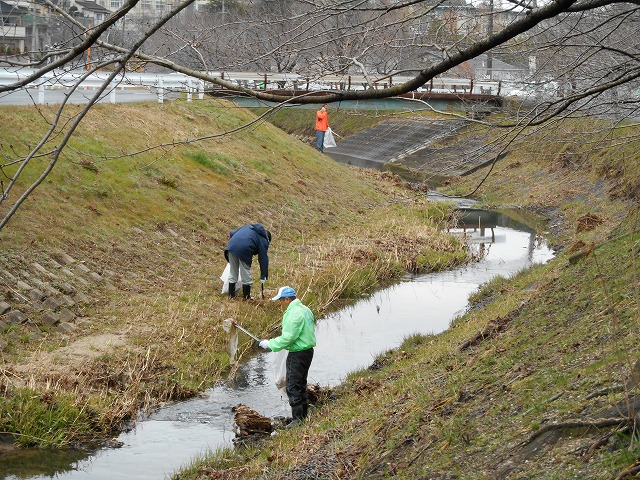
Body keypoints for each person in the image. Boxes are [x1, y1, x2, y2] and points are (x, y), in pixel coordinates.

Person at [259, 286, 316, 424]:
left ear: (287, 299)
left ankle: (297, 420)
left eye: (281, 301)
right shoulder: (304, 309)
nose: (281, 304)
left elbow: (288, 338)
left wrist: (270, 344)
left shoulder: (295, 313)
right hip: (307, 352)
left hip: (298, 353)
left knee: (292, 385)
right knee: (301, 383)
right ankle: (302, 416)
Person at [224, 223, 271, 299]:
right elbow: (263, 259)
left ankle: (231, 295)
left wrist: (235, 244)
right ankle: (246, 297)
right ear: (268, 238)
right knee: (245, 272)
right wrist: (263, 275)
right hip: (244, 249)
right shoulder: (263, 239)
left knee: (233, 271)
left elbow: (232, 233)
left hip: (231, 247)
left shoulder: (248, 227)